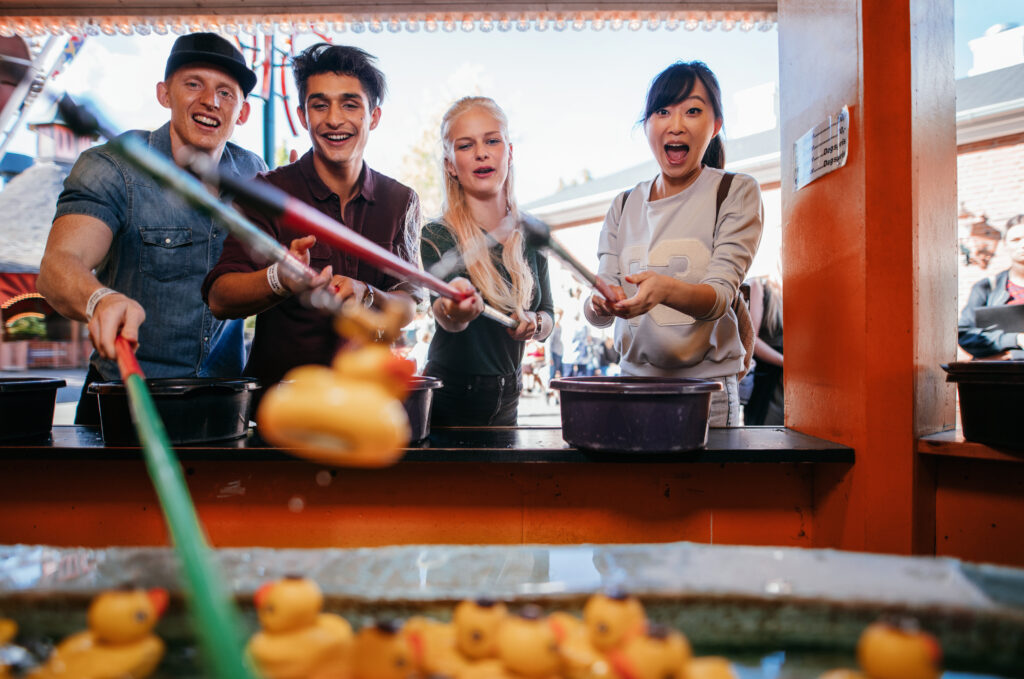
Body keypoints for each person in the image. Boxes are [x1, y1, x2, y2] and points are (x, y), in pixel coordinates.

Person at [37, 32, 265, 425]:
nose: (210, 100)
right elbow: (59, 266)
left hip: (224, 405)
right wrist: (99, 300)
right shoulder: (111, 166)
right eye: (194, 84)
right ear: (164, 94)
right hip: (125, 398)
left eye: (226, 92)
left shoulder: (256, 174)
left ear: (242, 113)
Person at [203, 43, 420, 388]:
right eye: (320, 105)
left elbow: (409, 305)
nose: (334, 120)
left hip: (369, 400)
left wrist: (367, 293)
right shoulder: (267, 192)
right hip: (281, 408)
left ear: (373, 116)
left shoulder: (401, 199)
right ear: (303, 116)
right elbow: (219, 298)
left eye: (350, 105)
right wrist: (280, 278)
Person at [583, 61, 764, 427]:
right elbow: (597, 312)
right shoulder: (622, 204)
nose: (676, 124)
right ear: (648, 125)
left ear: (715, 126)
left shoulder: (735, 191)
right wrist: (601, 303)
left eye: (693, 111)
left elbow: (718, 297)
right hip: (632, 386)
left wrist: (665, 290)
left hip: (707, 394)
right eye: (663, 111)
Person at [420, 96, 554, 426]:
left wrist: (536, 324)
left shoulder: (531, 233)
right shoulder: (435, 235)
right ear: (451, 164)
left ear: (509, 152)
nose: (482, 152)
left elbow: (549, 314)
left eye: (492, 140)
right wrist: (457, 310)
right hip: (449, 398)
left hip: (510, 396)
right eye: (466, 145)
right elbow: (445, 317)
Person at [958, 214, 1024, 359]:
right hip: (1000, 377)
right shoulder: (986, 287)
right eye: (1016, 240)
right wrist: (1015, 339)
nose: (1022, 244)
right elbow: (964, 334)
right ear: (1006, 244)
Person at [744, 274, 784, 425]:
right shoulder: (759, 285)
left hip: (789, 380)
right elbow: (751, 339)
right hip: (767, 382)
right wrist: (787, 362)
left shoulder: (795, 290)